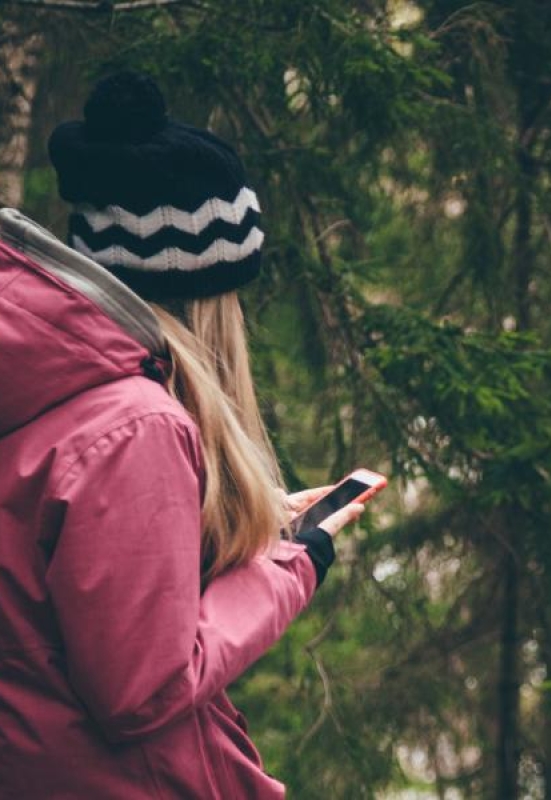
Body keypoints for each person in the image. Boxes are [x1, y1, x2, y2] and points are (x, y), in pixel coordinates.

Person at [0, 71, 359, 797]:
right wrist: (291, 567)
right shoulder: (137, 424)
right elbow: (144, 688)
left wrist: (250, 536)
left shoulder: (49, 389)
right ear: (205, 290)